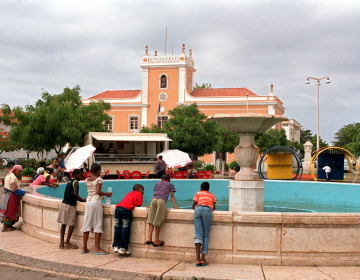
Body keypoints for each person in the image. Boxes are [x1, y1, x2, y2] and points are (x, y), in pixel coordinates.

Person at [81, 163, 112, 255]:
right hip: (96, 202)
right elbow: (98, 191)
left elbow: (90, 191)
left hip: (88, 202)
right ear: (98, 171)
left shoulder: (87, 180)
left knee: (86, 223)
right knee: (98, 223)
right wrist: (107, 194)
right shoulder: (99, 179)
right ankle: (97, 248)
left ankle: (84, 247)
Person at [145, 174, 178, 247]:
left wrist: (151, 205)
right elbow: (172, 195)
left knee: (151, 218)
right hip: (161, 201)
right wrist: (175, 206)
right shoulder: (170, 184)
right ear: (169, 180)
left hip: (154, 200)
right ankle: (156, 240)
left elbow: (154, 194)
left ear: (161, 179)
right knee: (158, 219)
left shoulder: (158, 183)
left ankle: (149, 238)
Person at [57, 169, 86, 249]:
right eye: (80, 175)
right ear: (76, 174)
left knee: (63, 223)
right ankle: (67, 242)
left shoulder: (69, 181)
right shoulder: (76, 182)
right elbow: (75, 193)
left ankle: (61, 242)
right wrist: (82, 200)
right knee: (72, 224)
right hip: (70, 205)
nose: (81, 176)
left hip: (64, 203)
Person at [112, 184, 144, 255]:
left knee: (117, 228)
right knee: (125, 228)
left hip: (118, 208)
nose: (143, 192)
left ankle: (116, 245)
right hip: (126, 209)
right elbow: (139, 204)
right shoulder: (139, 194)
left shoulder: (129, 193)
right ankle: (123, 247)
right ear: (138, 189)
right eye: (142, 190)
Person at [192, 181, 216, 267]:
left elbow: (193, 205)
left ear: (201, 188)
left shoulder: (198, 193)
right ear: (208, 189)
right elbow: (214, 207)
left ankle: (197, 259)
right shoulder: (212, 195)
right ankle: (203, 259)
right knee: (206, 234)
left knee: (198, 234)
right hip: (207, 210)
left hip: (198, 210)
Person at [0, 165, 29, 231]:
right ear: (15, 170)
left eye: (21, 171)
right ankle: (5, 227)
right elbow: (14, 189)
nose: (20, 173)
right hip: (10, 197)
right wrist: (24, 192)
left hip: (7, 195)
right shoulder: (12, 177)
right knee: (10, 212)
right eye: (19, 171)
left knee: (9, 211)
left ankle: (8, 226)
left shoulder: (10, 174)